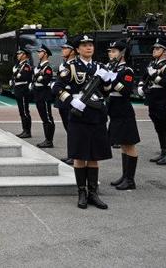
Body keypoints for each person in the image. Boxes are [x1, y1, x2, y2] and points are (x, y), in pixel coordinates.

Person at [52, 34, 112, 210]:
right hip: (79, 116)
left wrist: (107, 79)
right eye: (84, 45)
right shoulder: (70, 67)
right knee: (79, 156)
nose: (88, 48)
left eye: (91, 45)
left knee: (94, 156)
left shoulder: (100, 66)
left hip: (97, 116)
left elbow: (107, 91)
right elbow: (57, 88)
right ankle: (81, 192)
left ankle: (93, 193)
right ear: (77, 49)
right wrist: (71, 100)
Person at [104, 39, 140, 190]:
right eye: (110, 51)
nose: (111, 53)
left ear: (122, 54)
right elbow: (106, 90)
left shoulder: (127, 71)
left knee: (129, 144)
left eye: (114, 51)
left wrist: (113, 81)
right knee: (123, 145)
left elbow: (126, 91)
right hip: (114, 108)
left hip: (123, 109)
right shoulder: (112, 69)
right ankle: (125, 176)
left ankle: (130, 180)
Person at [138, 38, 166, 166]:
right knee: (158, 127)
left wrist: (154, 75)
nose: (154, 50)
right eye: (154, 48)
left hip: (164, 99)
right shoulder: (152, 65)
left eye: (158, 48)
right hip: (152, 98)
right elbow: (143, 78)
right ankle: (163, 151)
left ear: (165, 52)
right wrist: (141, 86)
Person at [32, 45, 55, 148]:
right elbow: (35, 78)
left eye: (40, 52)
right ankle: (47, 139)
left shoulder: (47, 67)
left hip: (44, 93)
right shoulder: (39, 67)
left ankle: (49, 140)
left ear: (45, 54)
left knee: (47, 117)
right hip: (38, 92)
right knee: (43, 117)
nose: (38, 53)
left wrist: (39, 78)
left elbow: (46, 80)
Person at [11, 48, 32, 138]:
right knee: (21, 111)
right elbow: (16, 76)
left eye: (20, 54)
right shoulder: (19, 65)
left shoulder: (26, 66)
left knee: (25, 111)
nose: (18, 55)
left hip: (23, 89)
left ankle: (27, 131)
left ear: (24, 55)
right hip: (18, 88)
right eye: (18, 54)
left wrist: (16, 76)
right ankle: (24, 130)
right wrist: (15, 77)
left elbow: (24, 77)